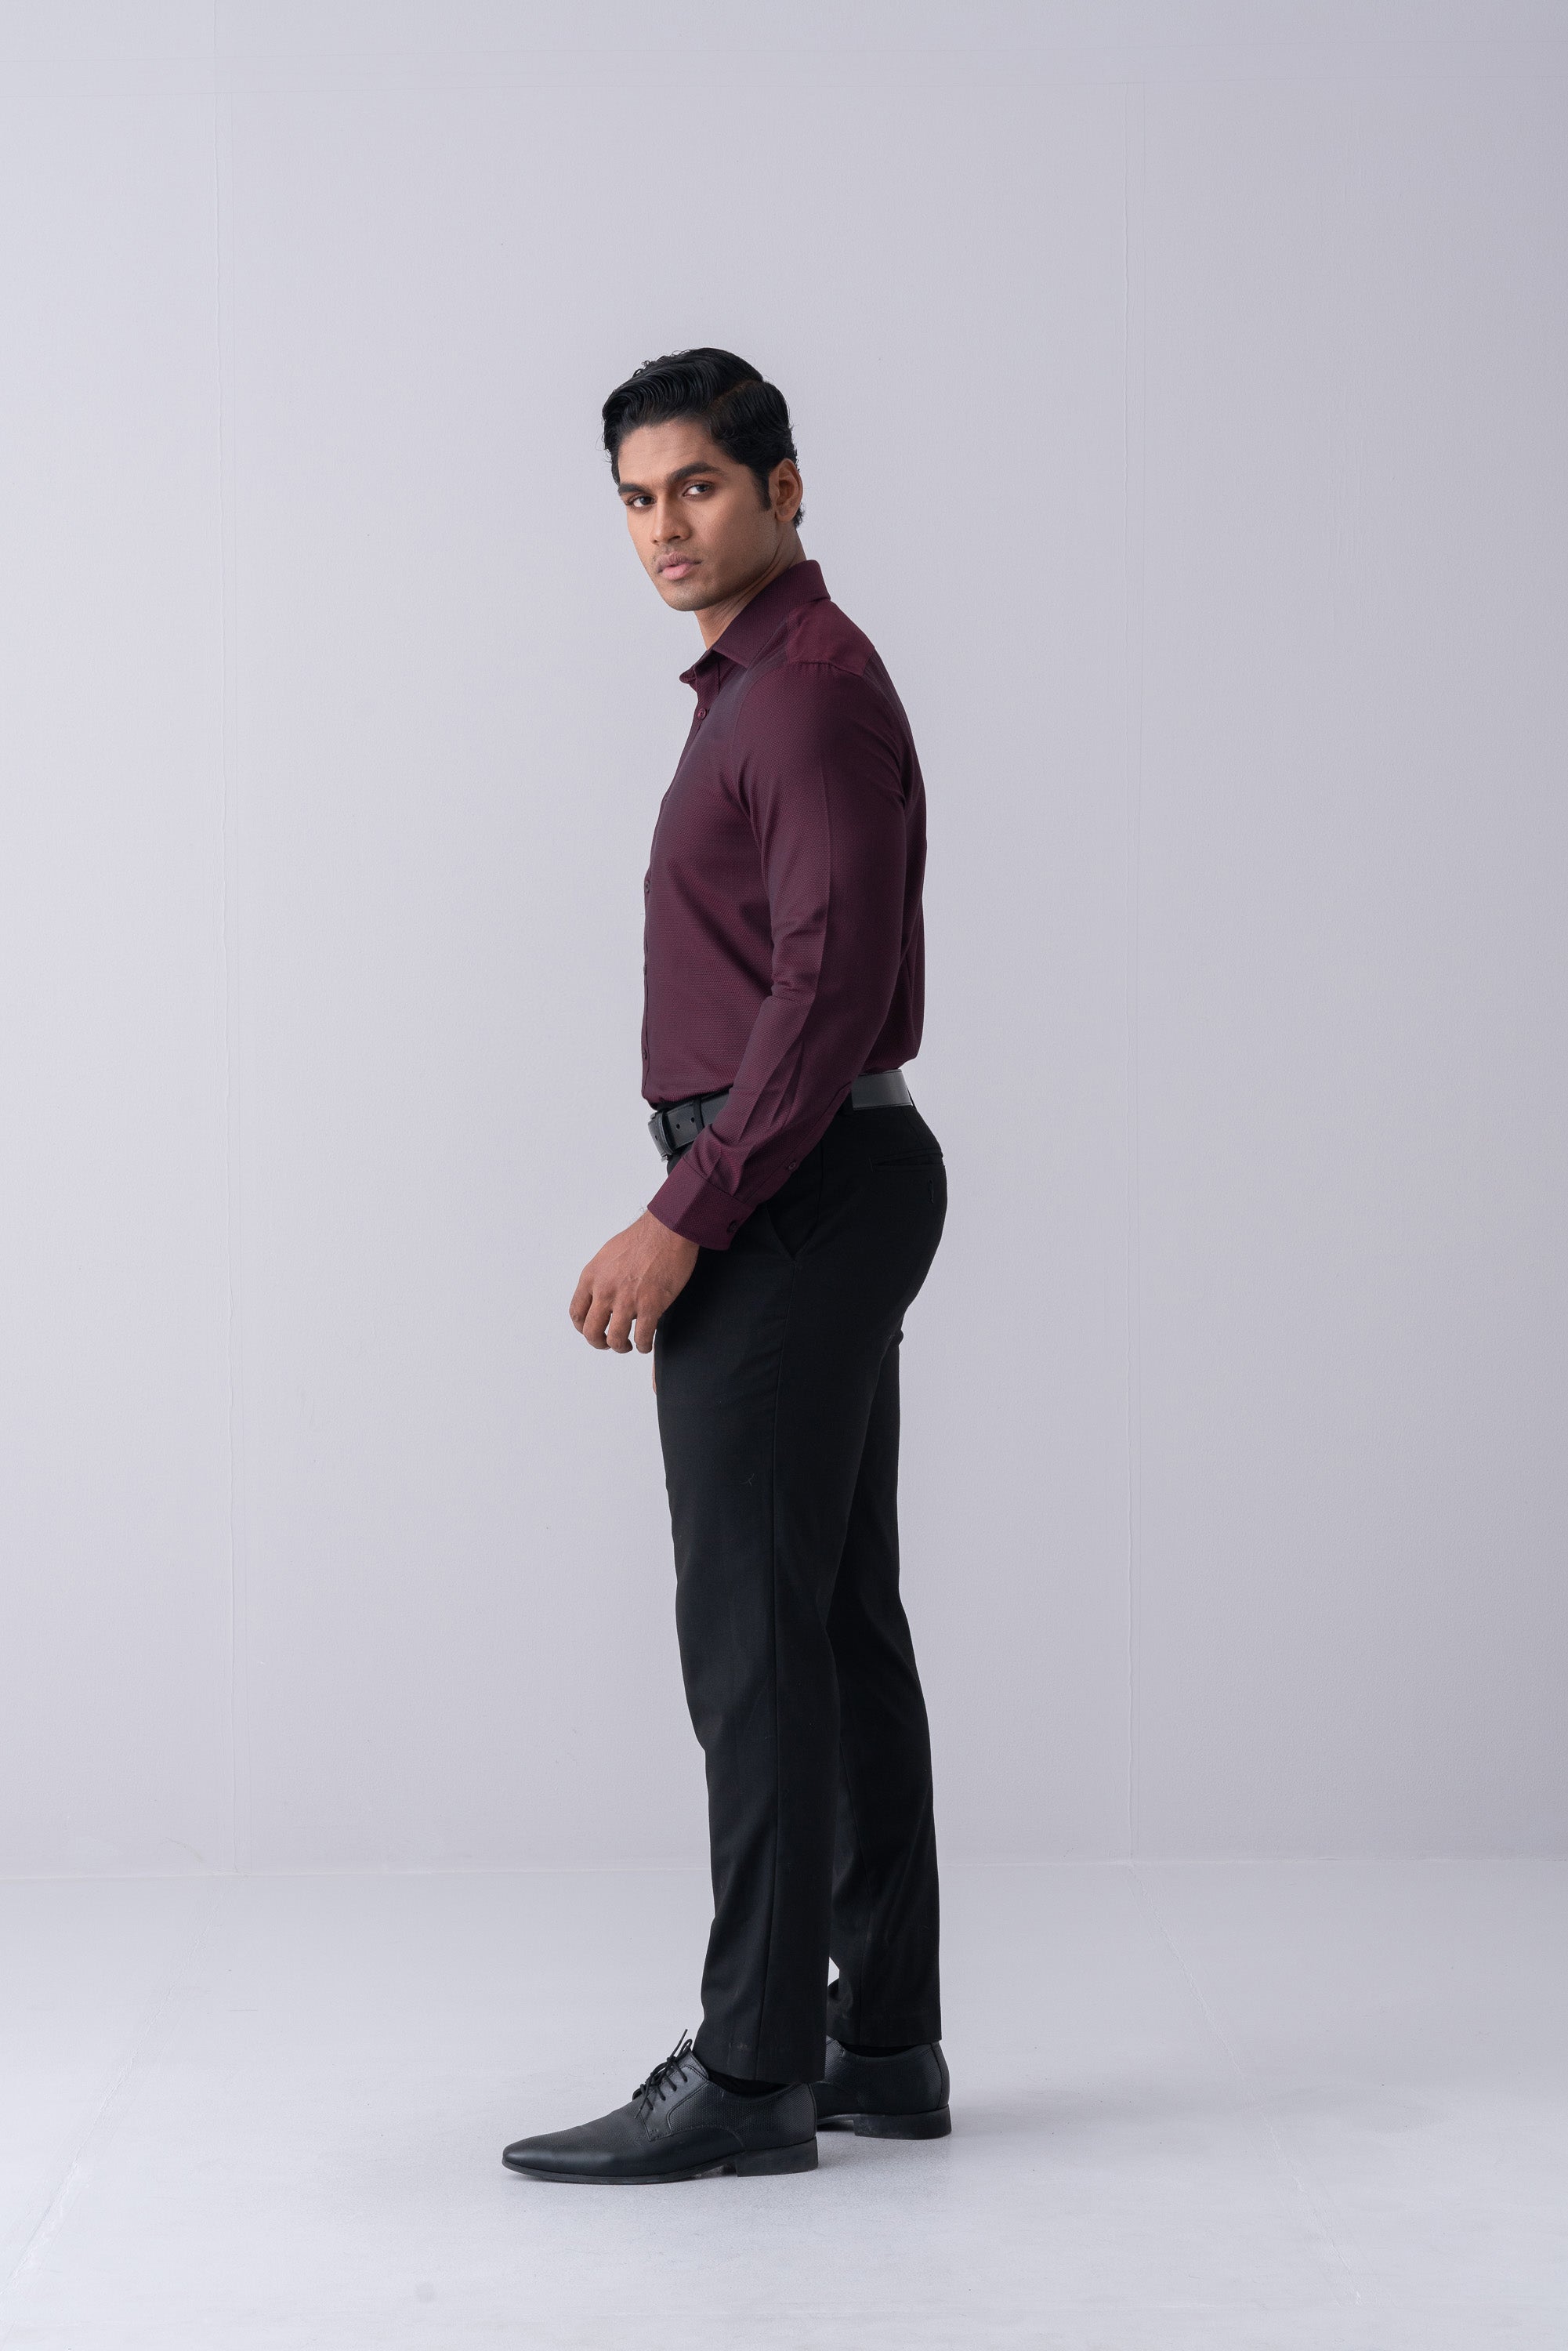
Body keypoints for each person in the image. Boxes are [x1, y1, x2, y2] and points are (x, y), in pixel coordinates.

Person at [502, 350, 951, 2185]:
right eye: (634, 498)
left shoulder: (807, 695)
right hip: (813, 1176)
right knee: (829, 1620)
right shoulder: (760, 686)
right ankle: (878, 2042)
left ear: (781, 486)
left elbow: (824, 986)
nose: (661, 528)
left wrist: (685, 1212)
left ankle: (758, 2066)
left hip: (788, 1186)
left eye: (694, 486)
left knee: (758, 1639)